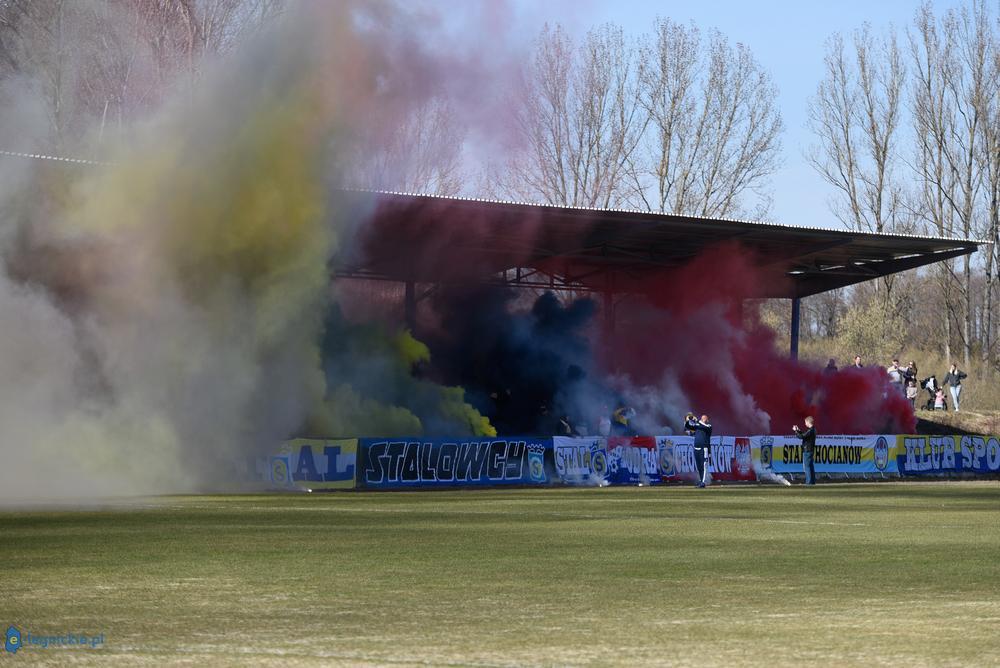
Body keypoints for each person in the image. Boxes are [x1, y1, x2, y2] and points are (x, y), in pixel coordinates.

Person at [687, 413, 712, 488]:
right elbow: (688, 426)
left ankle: (703, 482)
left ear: (707, 420)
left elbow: (703, 427)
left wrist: (697, 421)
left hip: (704, 448)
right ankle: (701, 480)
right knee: (699, 466)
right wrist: (688, 420)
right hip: (696, 448)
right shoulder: (698, 425)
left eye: (704, 418)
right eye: (702, 418)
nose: (703, 419)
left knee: (704, 465)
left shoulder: (708, 426)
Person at [792, 416, 817, 485]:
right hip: (810, 450)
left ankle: (808, 482)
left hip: (807, 450)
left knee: (807, 467)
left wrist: (795, 431)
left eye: (805, 422)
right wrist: (798, 430)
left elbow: (801, 436)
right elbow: (804, 435)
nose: (805, 424)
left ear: (808, 422)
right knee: (810, 466)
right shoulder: (813, 429)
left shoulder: (810, 430)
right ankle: (812, 482)